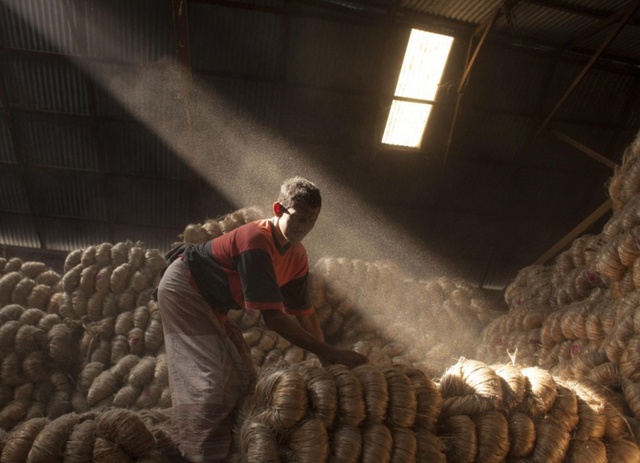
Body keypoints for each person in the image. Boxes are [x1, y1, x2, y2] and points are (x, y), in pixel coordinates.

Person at [155, 176, 368, 462]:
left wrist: (327, 360)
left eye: (312, 222)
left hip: (211, 302)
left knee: (244, 377)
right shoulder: (256, 241)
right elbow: (274, 319)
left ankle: (224, 447)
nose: (305, 229)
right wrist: (328, 350)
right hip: (185, 288)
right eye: (300, 219)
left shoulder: (297, 256)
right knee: (212, 382)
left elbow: (304, 313)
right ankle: (195, 453)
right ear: (278, 209)